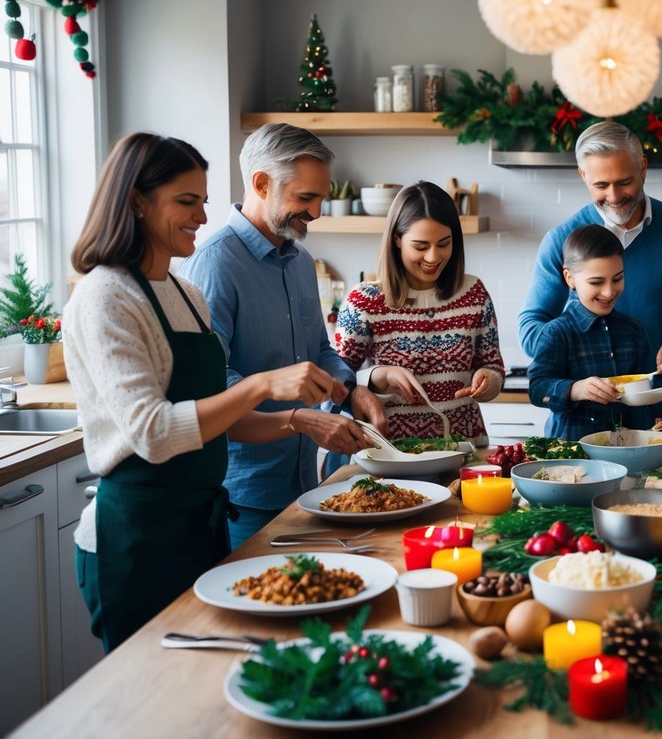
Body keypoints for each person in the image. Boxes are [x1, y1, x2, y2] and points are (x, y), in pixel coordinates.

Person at [65, 133, 342, 651]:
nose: (199, 216)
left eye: (203, 202)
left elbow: (221, 419)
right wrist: (263, 384)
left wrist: (299, 420)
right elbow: (154, 433)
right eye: (185, 202)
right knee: (148, 704)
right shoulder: (105, 296)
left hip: (201, 525)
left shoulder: (186, 295)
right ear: (136, 202)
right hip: (136, 538)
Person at [179, 123, 384, 548]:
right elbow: (212, 384)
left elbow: (319, 351)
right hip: (243, 495)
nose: (316, 212)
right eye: (305, 197)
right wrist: (301, 421)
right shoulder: (214, 266)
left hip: (302, 486)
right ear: (261, 183)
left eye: (320, 198)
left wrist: (350, 391)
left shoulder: (301, 261)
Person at [519, 121, 662, 433]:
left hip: (661, 419)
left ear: (643, 168)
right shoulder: (561, 239)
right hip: (584, 424)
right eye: (601, 185)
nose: (614, 196)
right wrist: (578, 369)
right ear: (583, 175)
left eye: (624, 182)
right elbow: (530, 327)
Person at [335, 181, 505, 445]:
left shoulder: (474, 293)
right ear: (397, 240)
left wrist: (488, 382)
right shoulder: (364, 301)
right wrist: (379, 376)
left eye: (444, 243)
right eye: (421, 246)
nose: (433, 257)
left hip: (463, 449)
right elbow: (336, 383)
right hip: (392, 453)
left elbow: (493, 366)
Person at [528, 225, 652, 439]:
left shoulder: (634, 330)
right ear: (569, 278)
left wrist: (651, 424)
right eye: (596, 282)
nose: (609, 291)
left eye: (617, 279)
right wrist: (576, 389)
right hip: (573, 452)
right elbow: (537, 390)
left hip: (628, 449)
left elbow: (644, 391)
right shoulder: (557, 332)